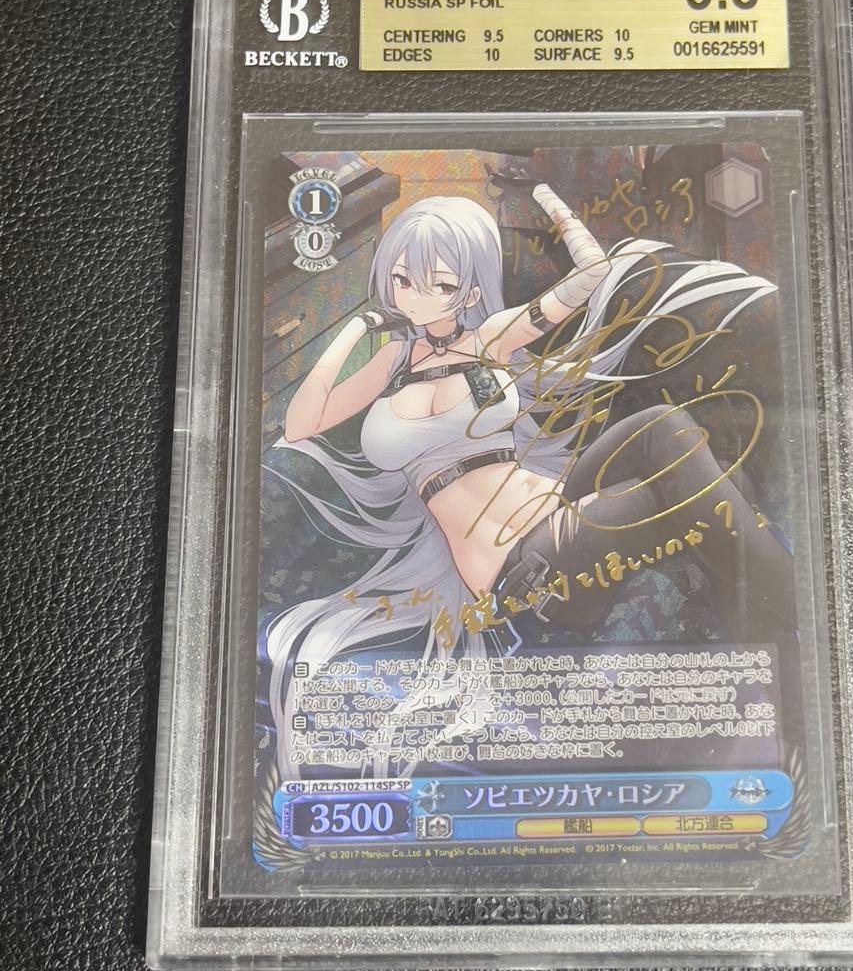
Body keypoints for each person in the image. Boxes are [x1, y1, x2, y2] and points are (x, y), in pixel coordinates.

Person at [265, 167, 794, 777]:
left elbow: (589, 278)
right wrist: (359, 326)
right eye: (402, 279)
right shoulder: (388, 364)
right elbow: (301, 424)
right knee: (716, 492)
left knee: (670, 433)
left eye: (439, 282)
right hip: (526, 567)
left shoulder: (489, 338)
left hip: (561, 501)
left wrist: (556, 209)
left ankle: (783, 646)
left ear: (469, 292)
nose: (414, 295)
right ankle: (797, 634)